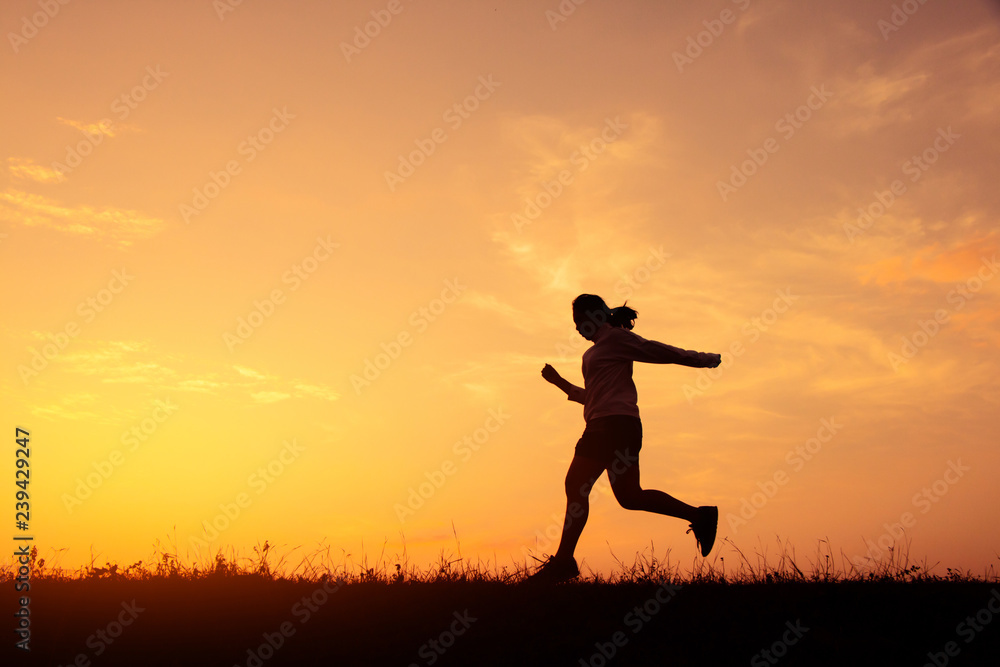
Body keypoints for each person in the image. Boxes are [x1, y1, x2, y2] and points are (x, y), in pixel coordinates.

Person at [528, 294, 721, 583]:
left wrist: (704, 360)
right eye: (576, 324)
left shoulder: (615, 339)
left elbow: (659, 351)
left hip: (610, 427)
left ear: (596, 316)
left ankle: (564, 562)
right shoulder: (594, 352)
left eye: (580, 321)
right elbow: (594, 398)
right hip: (617, 426)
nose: (578, 329)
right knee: (630, 496)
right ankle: (700, 516)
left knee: (576, 485)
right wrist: (559, 383)